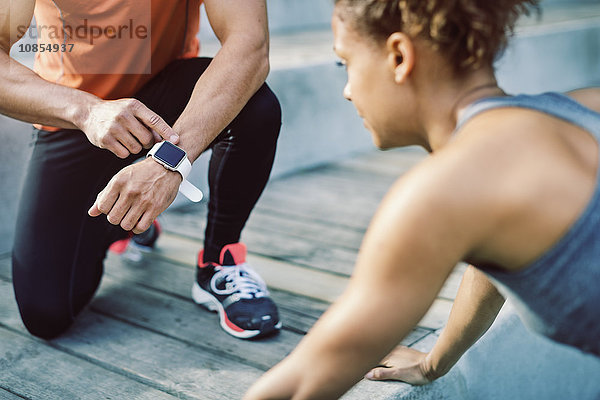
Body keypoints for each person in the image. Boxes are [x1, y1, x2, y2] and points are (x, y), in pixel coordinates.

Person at [244, 0, 600, 398]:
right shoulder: (579, 108)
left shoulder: (441, 190)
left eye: (344, 63)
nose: (346, 91)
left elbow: (304, 381)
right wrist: (435, 362)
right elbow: (493, 258)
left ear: (399, 56)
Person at [1, 0, 282, 340]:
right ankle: (128, 220)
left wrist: (170, 158)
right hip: (75, 112)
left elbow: (249, 44)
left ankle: (219, 261)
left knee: (255, 104)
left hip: (166, 101)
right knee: (46, 314)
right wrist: (86, 111)